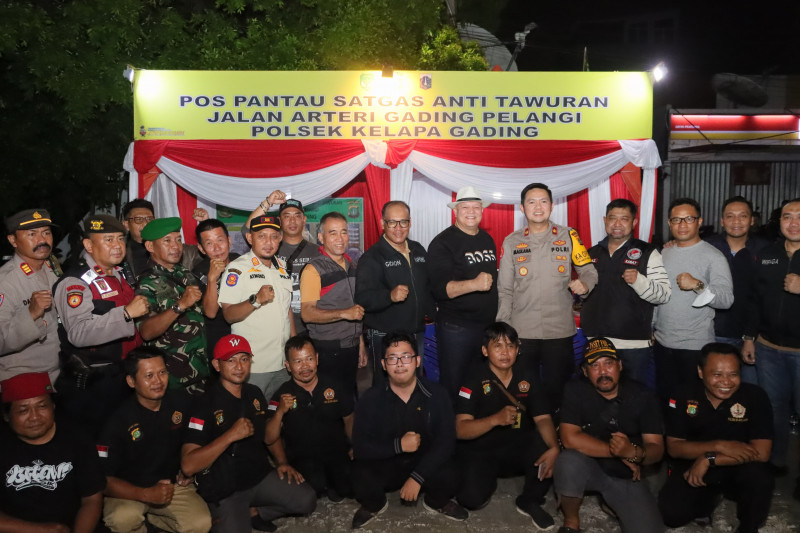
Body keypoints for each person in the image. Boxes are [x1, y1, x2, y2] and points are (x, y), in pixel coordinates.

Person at [181, 334, 316, 533]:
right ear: (217, 365)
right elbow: (188, 466)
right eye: (231, 360)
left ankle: (253, 513)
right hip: (226, 488)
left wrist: (282, 462)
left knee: (306, 500)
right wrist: (230, 436)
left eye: (244, 359)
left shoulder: (254, 393)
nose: (239, 366)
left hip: (258, 477)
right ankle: (230, 517)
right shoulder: (203, 404)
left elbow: (269, 437)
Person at [497, 183, 597, 413]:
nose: (538, 207)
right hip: (522, 331)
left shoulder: (569, 236)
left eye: (543, 201)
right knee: (523, 391)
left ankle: (558, 429)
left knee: (558, 391)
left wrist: (585, 284)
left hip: (559, 331)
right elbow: (505, 290)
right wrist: (504, 328)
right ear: (522, 208)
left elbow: (589, 271)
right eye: (531, 202)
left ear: (552, 206)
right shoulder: (512, 241)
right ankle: (527, 431)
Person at [350, 332, 467, 529]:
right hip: (387, 462)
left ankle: (436, 501)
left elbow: (446, 441)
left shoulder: (437, 394)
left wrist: (418, 477)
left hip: (424, 462)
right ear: (383, 364)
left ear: (417, 361)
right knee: (358, 475)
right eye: (392, 358)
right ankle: (374, 504)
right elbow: (361, 447)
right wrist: (398, 446)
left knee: (453, 472)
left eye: (406, 357)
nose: (399, 364)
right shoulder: (370, 399)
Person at [659, 343, 774, 533]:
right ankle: (709, 498)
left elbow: (762, 453)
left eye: (733, 374)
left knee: (760, 478)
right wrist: (720, 445)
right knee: (672, 515)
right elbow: (675, 448)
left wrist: (710, 458)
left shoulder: (755, 396)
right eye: (717, 374)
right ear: (700, 372)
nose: (726, 382)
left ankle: (748, 526)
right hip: (693, 465)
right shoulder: (682, 394)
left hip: (737, 465)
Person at [455, 322, 559, 530]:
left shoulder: (527, 374)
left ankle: (529, 499)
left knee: (546, 447)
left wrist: (554, 447)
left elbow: (542, 418)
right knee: (470, 499)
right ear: (485, 351)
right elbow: (460, 429)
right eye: (498, 346)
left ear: (517, 349)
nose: (505, 352)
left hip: (517, 446)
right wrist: (494, 419)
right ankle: (487, 480)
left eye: (510, 346)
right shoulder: (473, 377)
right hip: (483, 450)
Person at [554, 337, 665, 533]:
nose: (603, 371)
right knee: (567, 462)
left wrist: (635, 453)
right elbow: (569, 438)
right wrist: (618, 452)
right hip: (590, 466)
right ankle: (571, 522)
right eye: (594, 365)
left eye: (608, 363)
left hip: (627, 475)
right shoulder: (575, 390)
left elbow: (656, 448)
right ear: (585, 371)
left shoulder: (643, 396)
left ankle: (613, 502)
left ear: (620, 365)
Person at [98, 346, 211, 533]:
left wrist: (189, 472)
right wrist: (145, 494)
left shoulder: (182, 402)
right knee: (123, 519)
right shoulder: (117, 420)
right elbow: (102, 479)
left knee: (201, 523)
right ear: (131, 381)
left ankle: (155, 518)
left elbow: (196, 440)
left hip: (171, 486)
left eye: (162, 373)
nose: (158, 381)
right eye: (149, 376)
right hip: (129, 490)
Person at [53, 214, 148, 435]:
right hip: (94, 383)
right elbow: (78, 333)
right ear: (89, 245)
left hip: (124, 375)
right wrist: (126, 314)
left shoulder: (121, 274)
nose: (117, 245)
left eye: (120, 239)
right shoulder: (76, 282)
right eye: (108, 240)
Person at [581, 198, 670, 388]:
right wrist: (581, 290)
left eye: (624, 219)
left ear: (634, 222)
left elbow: (663, 295)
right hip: (596, 342)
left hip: (633, 344)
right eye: (613, 218)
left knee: (634, 397)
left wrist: (639, 281)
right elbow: (586, 295)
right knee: (596, 398)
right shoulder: (591, 253)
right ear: (605, 220)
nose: (617, 224)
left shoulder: (648, 252)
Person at [0, 372, 105, 532]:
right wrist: (42, 530)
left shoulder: (77, 438)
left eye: (42, 406)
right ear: (7, 416)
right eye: (23, 410)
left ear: (53, 407)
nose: (34, 417)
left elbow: (92, 499)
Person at [653, 197, 733, 402]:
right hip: (662, 342)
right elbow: (658, 293)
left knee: (693, 405)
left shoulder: (714, 256)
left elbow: (726, 300)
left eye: (688, 218)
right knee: (667, 402)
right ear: (669, 223)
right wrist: (651, 327)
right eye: (676, 220)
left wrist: (698, 285)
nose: (682, 224)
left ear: (699, 221)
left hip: (695, 346)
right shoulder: (664, 252)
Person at [742, 198, 800, 476]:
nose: (794, 222)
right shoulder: (768, 254)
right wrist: (749, 337)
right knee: (773, 409)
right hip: (768, 349)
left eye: (799, 216)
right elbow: (754, 299)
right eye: (788, 216)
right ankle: (775, 462)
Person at [427, 186, 498, 398]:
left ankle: (473, 417)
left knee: (480, 383)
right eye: (465, 207)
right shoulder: (442, 243)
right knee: (455, 384)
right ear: (455, 211)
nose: (471, 211)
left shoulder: (487, 239)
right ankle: (452, 420)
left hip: (486, 327)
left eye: (476, 207)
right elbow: (440, 289)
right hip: (457, 329)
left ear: (482, 211)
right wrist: (474, 284)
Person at [355, 200, 435, 386]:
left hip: (416, 333)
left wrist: (434, 312)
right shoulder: (372, 257)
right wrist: (389, 296)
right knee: (385, 386)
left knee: (415, 382)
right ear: (382, 223)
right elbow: (362, 298)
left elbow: (427, 287)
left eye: (403, 222)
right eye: (392, 222)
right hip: (384, 335)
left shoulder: (418, 250)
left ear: (410, 222)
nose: (398, 228)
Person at [266, 335, 354, 501]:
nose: (305, 366)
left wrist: (355, 445)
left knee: (349, 487)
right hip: (303, 457)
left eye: (309, 359)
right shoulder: (281, 394)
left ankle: (335, 484)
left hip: (335, 452)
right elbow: (269, 438)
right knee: (313, 487)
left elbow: (349, 418)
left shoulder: (335, 385)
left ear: (317, 359)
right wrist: (279, 412)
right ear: (288, 366)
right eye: (298, 361)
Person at [219, 215, 294, 400]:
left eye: (274, 236)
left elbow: (287, 309)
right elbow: (228, 314)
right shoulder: (237, 269)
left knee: (282, 414)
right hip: (255, 365)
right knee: (254, 415)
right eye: (262, 236)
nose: (269, 242)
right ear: (250, 238)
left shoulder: (283, 267)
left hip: (284, 363)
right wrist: (256, 300)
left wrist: (293, 348)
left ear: (280, 238)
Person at [135, 217, 209, 394]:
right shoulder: (146, 283)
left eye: (178, 239)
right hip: (172, 379)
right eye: (167, 241)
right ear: (150, 246)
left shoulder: (183, 272)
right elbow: (146, 331)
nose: (176, 246)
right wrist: (180, 305)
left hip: (200, 370)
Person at [300, 211, 366, 396]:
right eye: (333, 233)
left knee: (350, 399)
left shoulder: (351, 265)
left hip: (351, 346)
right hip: (328, 349)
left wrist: (360, 343)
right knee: (330, 403)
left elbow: (355, 310)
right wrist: (344, 313)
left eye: (344, 232)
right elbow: (307, 313)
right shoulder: (313, 269)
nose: (340, 238)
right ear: (321, 238)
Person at [705, 196, 767, 384]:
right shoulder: (708, 246)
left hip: (752, 336)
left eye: (743, 216)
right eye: (730, 216)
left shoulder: (766, 250)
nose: (736, 222)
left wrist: (751, 336)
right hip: (711, 332)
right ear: (722, 221)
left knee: (750, 388)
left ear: (752, 220)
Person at [0, 208, 61, 383]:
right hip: (22, 377)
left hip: (57, 372)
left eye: (46, 233)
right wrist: (30, 314)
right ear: (13, 240)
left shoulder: (52, 270)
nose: (42, 240)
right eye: (32, 234)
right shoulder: (6, 281)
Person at [193, 218, 239, 352]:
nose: (217, 248)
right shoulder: (198, 273)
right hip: (218, 338)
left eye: (220, 240)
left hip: (246, 331)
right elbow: (210, 313)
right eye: (209, 243)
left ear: (229, 240)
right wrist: (212, 279)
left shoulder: (240, 261)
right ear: (201, 249)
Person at [121, 199, 156, 281]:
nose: (145, 224)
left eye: (149, 219)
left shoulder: (167, 248)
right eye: (138, 219)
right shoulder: (120, 253)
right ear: (126, 225)